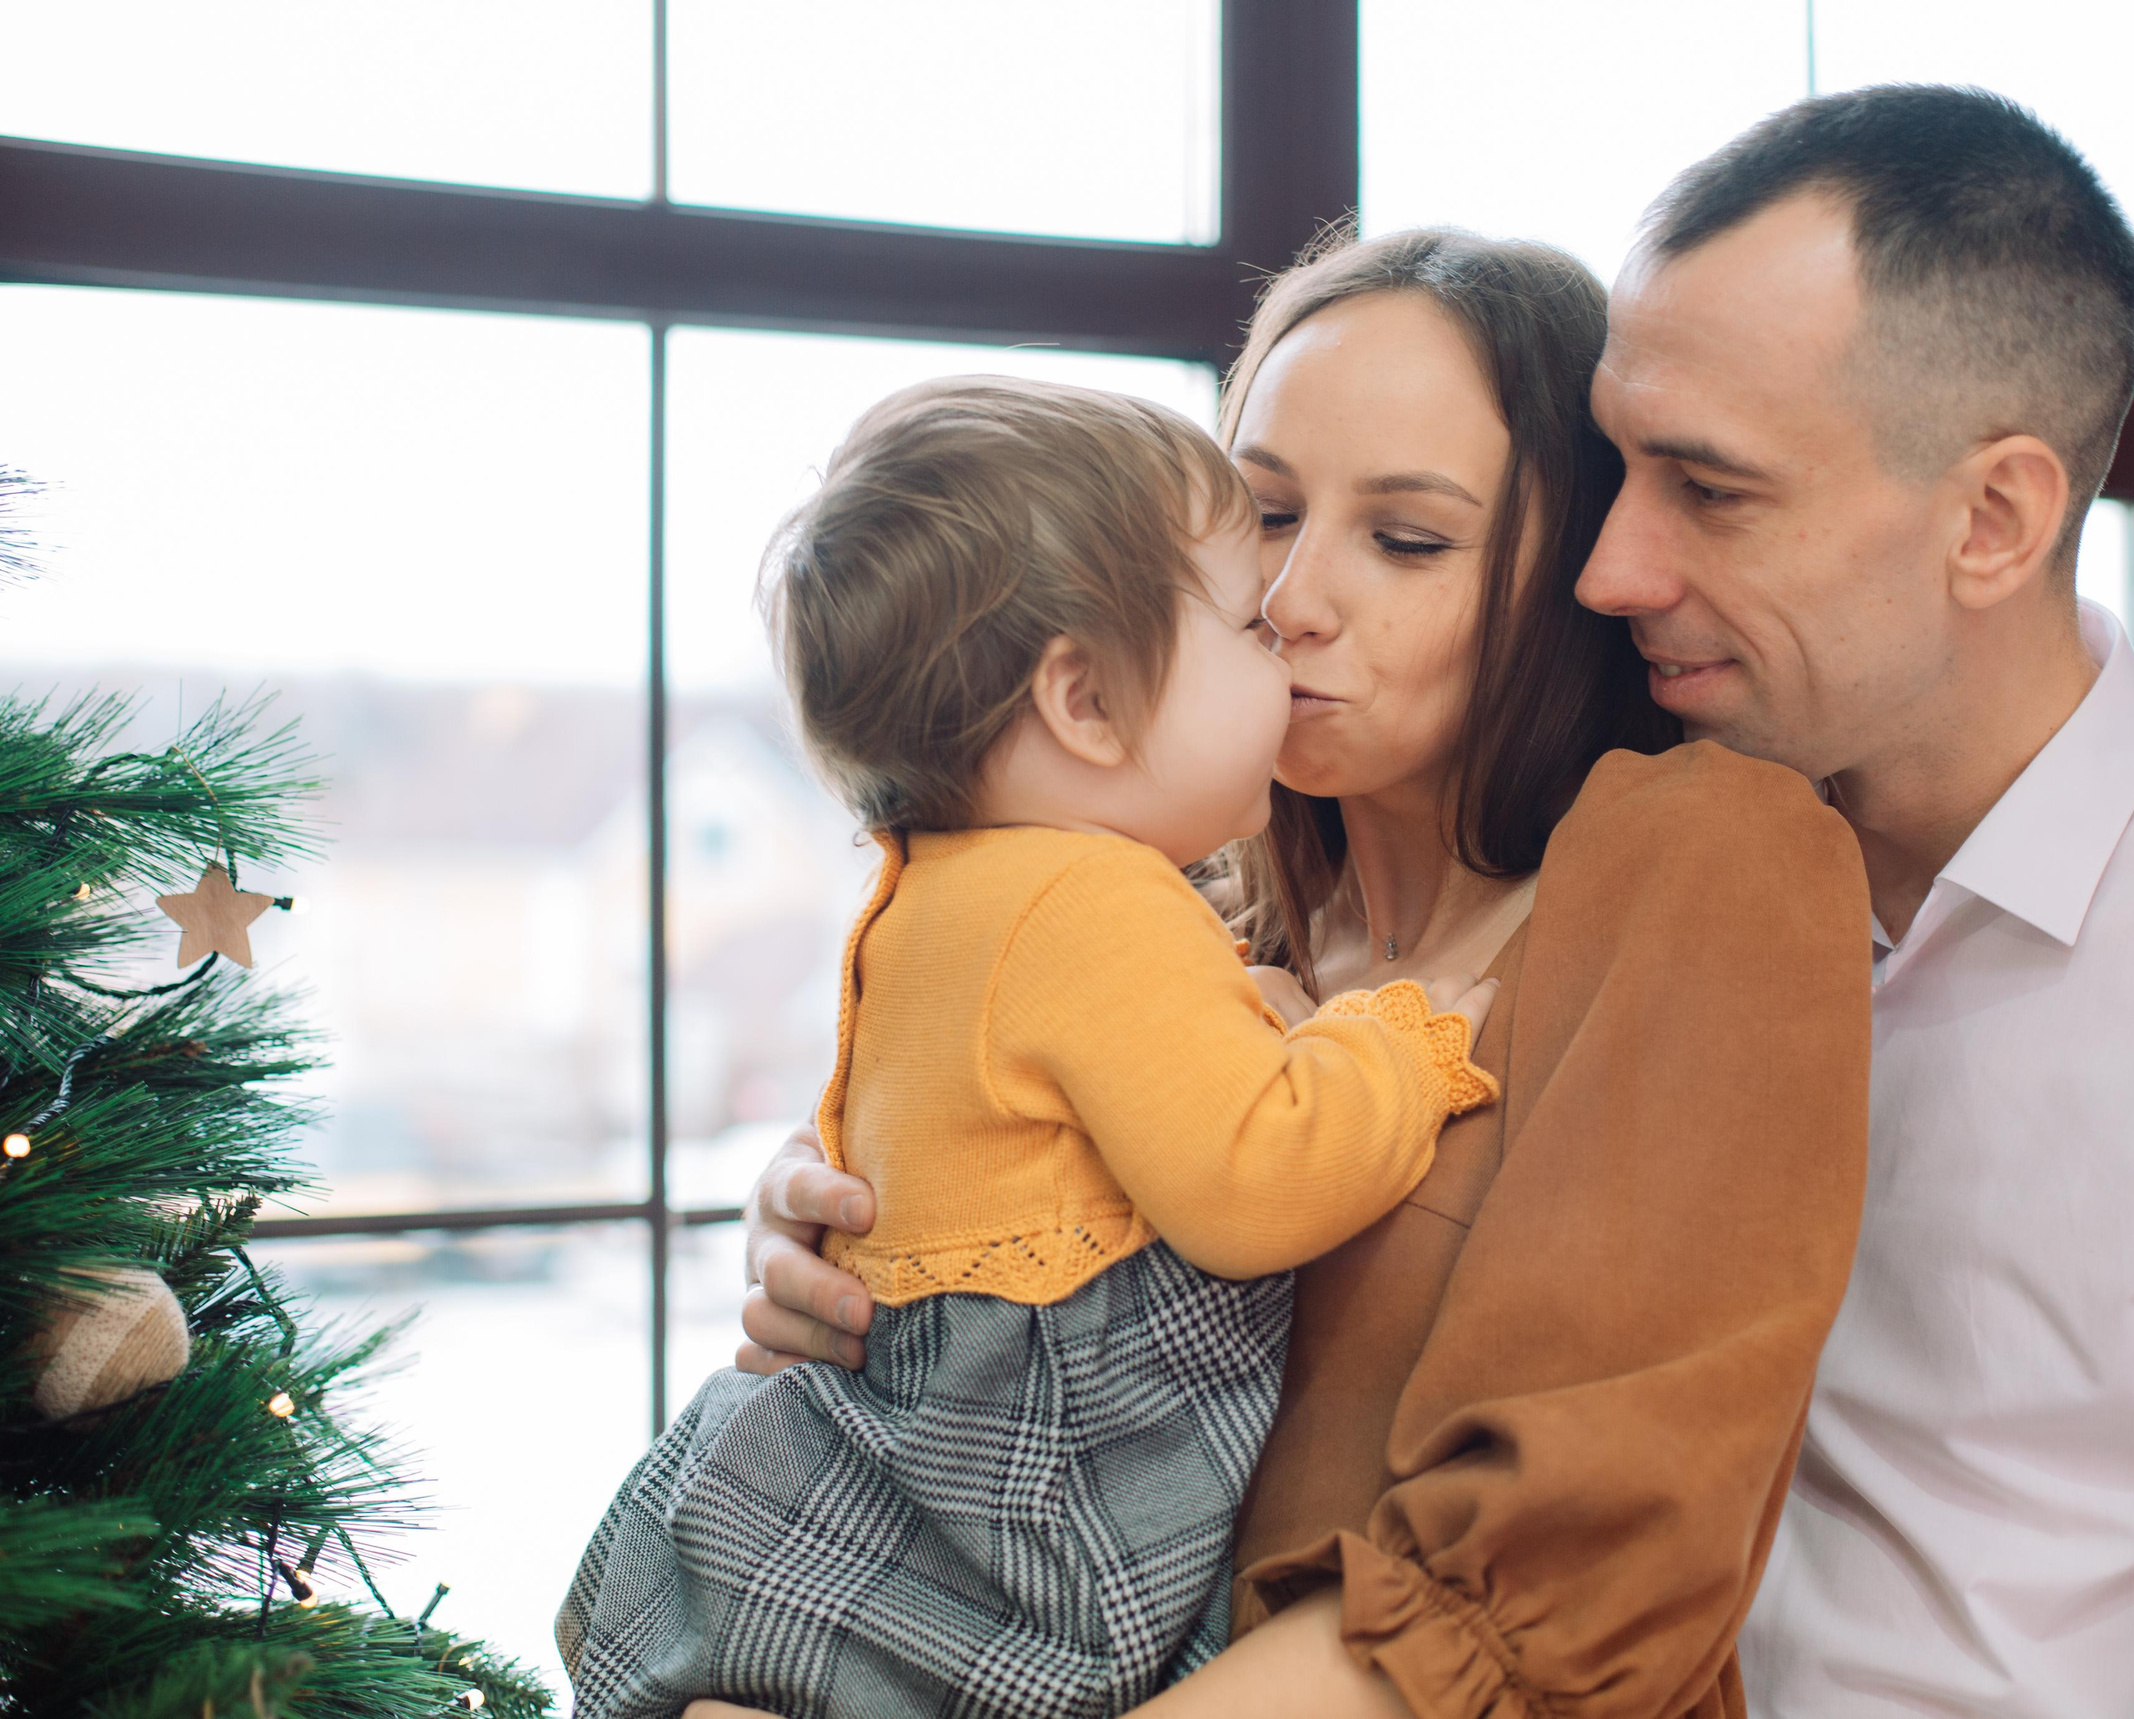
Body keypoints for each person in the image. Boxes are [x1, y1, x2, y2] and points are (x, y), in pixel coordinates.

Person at [726, 231, 1876, 1719]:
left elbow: (1566, 1591)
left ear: (1565, 577)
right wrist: (835, 1235)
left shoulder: (1700, 868)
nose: (1291, 599)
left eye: (1407, 540)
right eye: (1262, 515)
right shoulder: (1162, 912)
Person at [1576, 88, 2134, 1713]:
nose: (1612, 569)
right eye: (1616, 466)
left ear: (1994, 521)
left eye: (1708, 490)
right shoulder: (1648, 880)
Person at [558, 376, 1508, 1719]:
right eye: (1244, 619)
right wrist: (1402, 1047)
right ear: (1087, 704)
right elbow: (1257, 1183)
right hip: (1034, 1502)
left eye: (1405, 536)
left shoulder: (934, 891)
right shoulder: (1095, 899)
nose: (1287, 630)